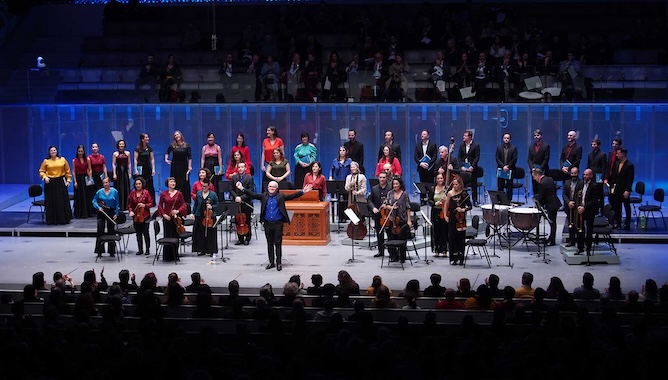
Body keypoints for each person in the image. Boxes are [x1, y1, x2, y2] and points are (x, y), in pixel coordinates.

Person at [235, 180, 313, 271]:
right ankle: (271, 262)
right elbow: (252, 194)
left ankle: (279, 263)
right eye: (270, 187)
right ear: (268, 188)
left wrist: (303, 191)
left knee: (278, 244)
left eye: (273, 187)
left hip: (278, 224)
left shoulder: (281, 196)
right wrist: (242, 188)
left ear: (277, 188)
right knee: (269, 244)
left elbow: (292, 196)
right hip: (267, 224)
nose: (271, 188)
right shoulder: (264, 196)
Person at [39, 146, 73, 225]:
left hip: (60, 182)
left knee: (61, 201)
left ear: (57, 151)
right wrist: (45, 177)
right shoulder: (46, 161)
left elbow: (67, 171)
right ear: (49, 152)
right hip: (50, 183)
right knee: (51, 202)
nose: (53, 152)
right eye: (51, 150)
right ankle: (52, 220)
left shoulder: (63, 160)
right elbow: (41, 171)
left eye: (54, 150)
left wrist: (68, 180)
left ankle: (63, 219)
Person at [156, 177, 188, 261]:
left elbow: (183, 205)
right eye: (171, 182)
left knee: (175, 236)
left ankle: (175, 255)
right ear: (168, 184)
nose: (173, 183)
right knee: (167, 235)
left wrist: (178, 211)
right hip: (167, 218)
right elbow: (159, 205)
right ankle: (167, 256)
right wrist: (164, 214)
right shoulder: (163, 194)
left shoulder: (179, 193)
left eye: (174, 182)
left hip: (176, 219)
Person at [384, 177, 413, 263]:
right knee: (391, 238)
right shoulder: (390, 193)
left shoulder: (405, 194)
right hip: (392, 219)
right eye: (394, 184)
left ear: (400, 184)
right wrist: (391, 207)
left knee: (402, 239)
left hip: (402, 219)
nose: (395, 185)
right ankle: (393, 256)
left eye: (397, 184)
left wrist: (409, 220)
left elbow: (408, 207)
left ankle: (402, 257)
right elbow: (386, 205)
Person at [444, 175, 471, 265]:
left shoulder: (464, 194)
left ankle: (461, 257)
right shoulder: (450, 194)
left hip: (461, 217)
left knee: (461, 238)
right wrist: (445, 215)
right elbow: (446, 205)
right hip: (452, 217)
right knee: (452, 237)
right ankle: (453, 257)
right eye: (453, 184)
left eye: (456, 184)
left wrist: (463, 209)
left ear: (460, 185)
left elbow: (470, 206)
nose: (455, 186)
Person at [574, 169, 603, 255]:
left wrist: (584, 207)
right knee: (580, 230)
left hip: (589, 210)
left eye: (587, 175)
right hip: (580, 209)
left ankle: (588, 249)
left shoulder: (594, 186)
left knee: (589, 231)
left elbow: (594, 200)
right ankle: (580, 248)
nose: (585, 176)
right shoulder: (580, 183)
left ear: (591, 176)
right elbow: (576, 195)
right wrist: (578, 206)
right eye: (584, 175)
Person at [531, 168, 561, 246]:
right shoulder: (549, 179)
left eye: (534, 177)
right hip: (555, 202)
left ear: (538, 175)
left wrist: (537, 204)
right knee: (553, 222)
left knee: (552, 223)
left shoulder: (542, 183)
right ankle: (551, 238)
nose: (534, 179)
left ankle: (552, 240)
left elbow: (541, 197)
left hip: (551, 205)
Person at [92, 177, 120, 257]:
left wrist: (116, 214)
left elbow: (117, 204)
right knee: (100, 230)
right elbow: (94, 201)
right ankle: (99, 251)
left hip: (111, 212)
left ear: (109, 182)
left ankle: (111, 251)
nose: (105, 184)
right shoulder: (99, 192)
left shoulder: (115, 192)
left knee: (111, 230)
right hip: (102, 212)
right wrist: (98, 207)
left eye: (106, 182)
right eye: (104, 183)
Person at [192, 178, 219, 256]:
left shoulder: (213, 194)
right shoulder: (198, 194)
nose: (204, 188)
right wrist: (193, 213)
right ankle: (201, 249)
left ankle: (211, 250)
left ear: (209, 186)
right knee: (200, 233)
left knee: (211, 234)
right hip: (200, 215)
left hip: (210, 216)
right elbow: (196, 204)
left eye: (205, 186)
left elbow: (217, 205)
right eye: (203, 186)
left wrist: (211, 206)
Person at [230, 162, 255, 245]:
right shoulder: (234, 178)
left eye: (242, 167)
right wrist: (236, 197)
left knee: (246, 220)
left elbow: (250, 191)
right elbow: (231, 189)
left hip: (246, 202)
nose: (240, 169)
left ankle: (247, 238)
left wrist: (242, 198)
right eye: (239, 167)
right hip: (236, 202)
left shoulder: (249, 178)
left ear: (245, 168)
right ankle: (240, 238)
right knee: (238, 221)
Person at [368, 171, 391, 258]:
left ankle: (391, 252)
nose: (382, 179)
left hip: (388, 214)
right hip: (378, 214)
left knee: (389, 234)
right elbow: (369, 200)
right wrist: (373, 208)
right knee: (379, 233)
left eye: (384, 177)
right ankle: (380, 251)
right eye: (380, 177)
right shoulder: (374, 188)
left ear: (387, 178)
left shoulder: (390, 188)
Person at [609, 147, 634, 230]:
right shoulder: (617, 163)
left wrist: (627, 190)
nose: (617, 155)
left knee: (626, 207)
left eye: (618, 153)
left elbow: (630, 179)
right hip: (617, 189)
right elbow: (615, 177)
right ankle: (618, 223)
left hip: (624, 189)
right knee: (617, 207)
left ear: (623, 154)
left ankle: (627, 224)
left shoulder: (629, 165)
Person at [128, 176, 153, 256]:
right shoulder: (132, 194)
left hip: (145, 215)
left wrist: (144, 205)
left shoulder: (146, 193)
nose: (138, 185)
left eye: (139, 184)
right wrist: (130, 211)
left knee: (146, 232)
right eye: (136, 184)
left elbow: (150, 203)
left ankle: (147, 249)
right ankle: (140, 249)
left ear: (142, 184)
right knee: (138, 233)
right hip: (136, 216)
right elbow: (130, 205)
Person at [164, 130, 192, 203]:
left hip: (184, 166)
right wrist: (166, 159)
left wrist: (190, 166)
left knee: (184, 182)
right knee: (175, 181)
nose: (177, 136)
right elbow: (167, 152)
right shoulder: (172, 145)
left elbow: (189, 157)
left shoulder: (187, 145)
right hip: (175, 166)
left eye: (178, 134)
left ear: (181, 135)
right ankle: (174, 200)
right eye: (175, 135)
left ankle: (185, 201)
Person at [458, 130, 481, 205]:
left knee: (474, 185)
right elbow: (459, 156)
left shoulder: (476, 145)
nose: (463, 137)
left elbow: (477, 157)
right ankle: (464, 200)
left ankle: (475, 200)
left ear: (470, 137)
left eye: (465, 136)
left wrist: (472, 167)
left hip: (472, 169)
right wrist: (461, 166)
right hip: (464, 168)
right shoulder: (461, 145)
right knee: (463, 184)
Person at [429, 173, 448, 258]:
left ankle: (444, 249)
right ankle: (436, 249)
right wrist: (435, 203)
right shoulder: (432, 189)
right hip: (435, 211)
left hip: (444, 211)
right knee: (436, 231)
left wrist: (446, 200)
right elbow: (429, 200)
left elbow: (450, 200)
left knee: (444, 230)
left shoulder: (447, 189)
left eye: (441, 178)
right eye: (438, 178)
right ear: (436, 179)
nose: (440, 180)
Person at [72, 144, 94, 219]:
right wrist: (75, 181)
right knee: (79, 196)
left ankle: (87, 212)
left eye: (81, 151)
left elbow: (89, 169)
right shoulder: (74, 160)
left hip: (85, 178)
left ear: (84, 151)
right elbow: (74, 171)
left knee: (87, 196)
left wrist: (90, 179)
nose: (80, 153)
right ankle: (79, 213)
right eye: (79, 151)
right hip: (78, 179)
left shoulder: (87, 159)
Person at [495, 132, 518, 202]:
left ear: (510, 139)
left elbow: (514, 159)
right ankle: (500, 200)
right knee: (500, 186)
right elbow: (497, 158)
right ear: (503, 139)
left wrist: (507, 166)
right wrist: (503, 166)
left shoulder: (513, 148)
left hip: (510, 170)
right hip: (501, 170)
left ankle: (508, 200)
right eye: (505, 138)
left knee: (509, 186)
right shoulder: (499, 148)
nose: (506, 139)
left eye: (507, 138)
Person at [527, 129, 550, 194]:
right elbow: (529, 159)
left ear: (541, 136)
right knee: (535, 188)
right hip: (534, 171)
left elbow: (546, 159)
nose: (536, 137)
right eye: (535, 135)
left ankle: (543, 203)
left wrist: (539, 170)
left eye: (538, 135)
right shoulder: (531, 147)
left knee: (543, 188)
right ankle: (536, 203)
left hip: (543, 171)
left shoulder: (546, 146)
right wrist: (532, 169)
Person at [111, 139, 132, 211]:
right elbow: (114, 164)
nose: (121, 145)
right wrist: (114, 174)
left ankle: (126, 205)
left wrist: (130, 172)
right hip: (118, 172)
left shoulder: (128, 153)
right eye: (120, 144)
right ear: (118, 145)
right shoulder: (115, 154)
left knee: (126, 187)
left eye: (122, 144)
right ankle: (119, 205)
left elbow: (129, 163)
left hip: (125, 171)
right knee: (118, 188)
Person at [134, 133, 156, 199]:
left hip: (148, 167)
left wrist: (153, 169)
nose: (148, 138)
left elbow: (152, 159)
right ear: (142, 139)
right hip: (140, 168)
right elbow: (135, 159)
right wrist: (135, 169)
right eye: (146, 137)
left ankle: (150, 199)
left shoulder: (149, 148)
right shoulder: (137, 148)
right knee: (141, 183)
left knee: (149, 183)